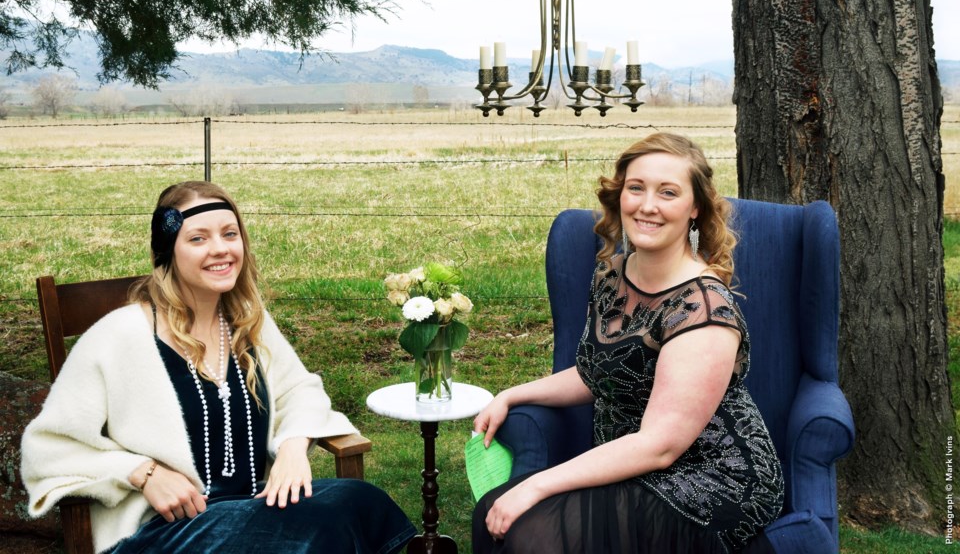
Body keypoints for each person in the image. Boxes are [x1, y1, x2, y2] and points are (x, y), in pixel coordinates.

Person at [22, 181, 415, 554]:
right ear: (168, 251)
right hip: (166, 531)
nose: (220, 249)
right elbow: (47, 449)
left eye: (230, 234)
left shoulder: (246, 320)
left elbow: (300, 390)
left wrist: (295, 447)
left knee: (359, 498)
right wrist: (143, 472)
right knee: (315, 528)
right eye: (198, 238)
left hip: (255, 512)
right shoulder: (120, 335)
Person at [472, 133, 784, 553]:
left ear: (694, 209)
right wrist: (510, 395)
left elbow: (660, 446)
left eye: (668, 192)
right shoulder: (614, 274)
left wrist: (537, 486)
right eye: (636, 188)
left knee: (531, 535)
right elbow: (594, 373)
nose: (647, 205)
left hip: (710, 479)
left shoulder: (703, 311)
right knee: (489, 513)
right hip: (634, 463)